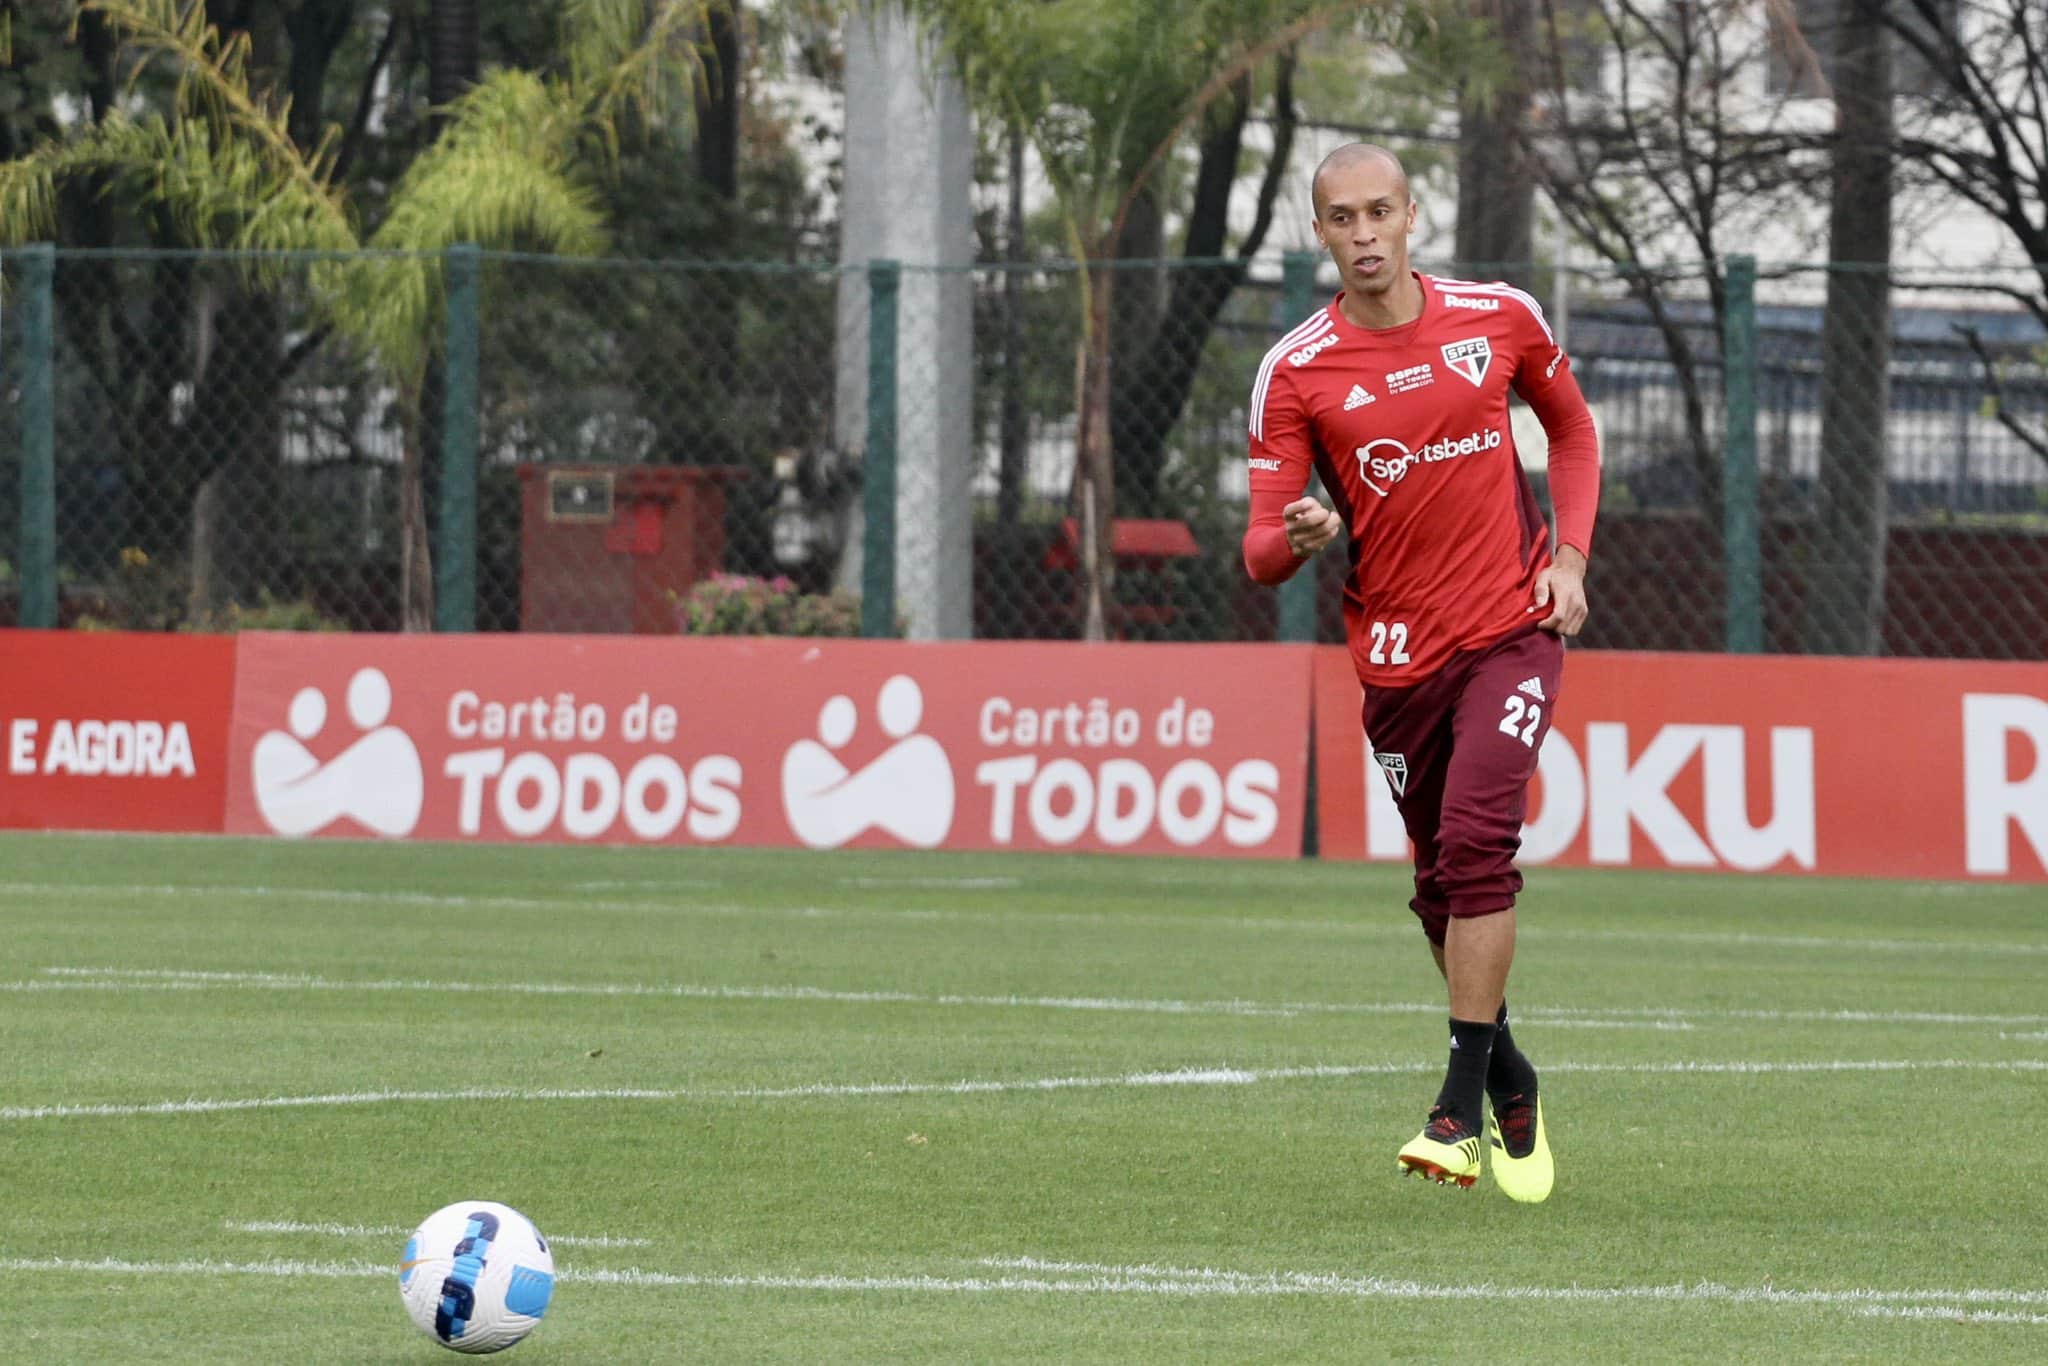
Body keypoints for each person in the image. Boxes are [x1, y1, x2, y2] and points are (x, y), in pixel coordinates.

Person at [1241, 143, 1599, 1202]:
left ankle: (1454, 1110)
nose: (1363, 235)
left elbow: (1572, 431)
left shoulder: (1498, 316)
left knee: (1480, 844)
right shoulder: (1294, 370)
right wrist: (1296, 536)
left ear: (1411, 215)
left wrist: (1571, 561)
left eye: (1378, 212)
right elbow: (1258, 548)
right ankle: (1510, 1076)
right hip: (1398, 660)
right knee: (1440, 886)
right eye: (1341, 218)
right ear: (1318, 232)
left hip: (1513, 627)